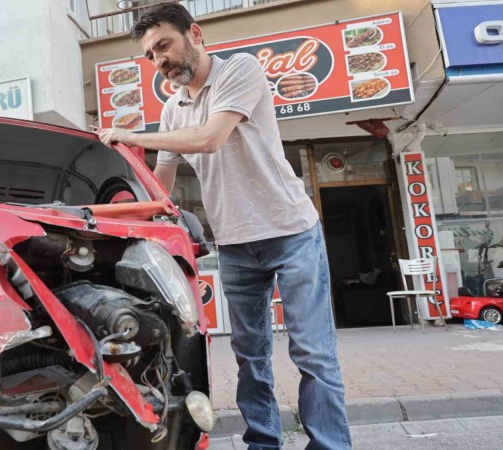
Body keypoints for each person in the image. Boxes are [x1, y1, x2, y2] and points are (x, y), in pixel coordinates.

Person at [97, 4, 352, 449]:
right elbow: (161, 188)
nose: (159, 60)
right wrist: (112, 215)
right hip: (235, 245)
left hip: (290, 231)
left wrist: (132, 135)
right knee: (250, 357)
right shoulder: (173, 110)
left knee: (312, 354)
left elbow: (210, 138)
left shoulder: (240, 70)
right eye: (150, 54)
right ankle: (262, 443)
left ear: (194, 34)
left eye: (164, 45)